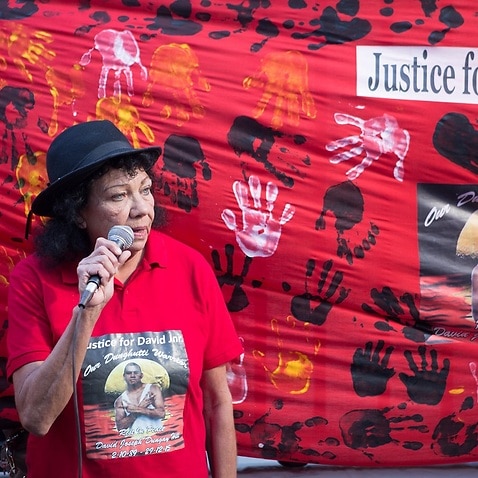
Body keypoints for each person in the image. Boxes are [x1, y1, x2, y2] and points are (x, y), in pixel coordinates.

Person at [6, 120, 243, 478]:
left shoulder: (189, 267)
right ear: (79, 214)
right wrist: (86, 312)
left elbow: (217, 402)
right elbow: (36, 418)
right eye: (118, 196)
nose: (141, 209)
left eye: (145, 190)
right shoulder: (34, 279)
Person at [114, 362, 165, 433]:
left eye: (136, 373)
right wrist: (141, 408)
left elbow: (161, 414)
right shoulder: (120, 400)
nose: (132, 375)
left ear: (141, 375)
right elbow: (120, 427)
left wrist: (138, 409)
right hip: (136, 440)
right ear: (124, 376)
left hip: (156, 437)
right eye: (129, 373)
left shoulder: (152, 389)